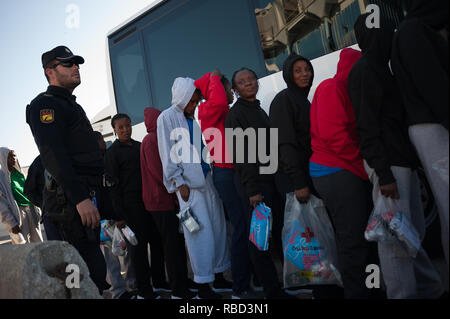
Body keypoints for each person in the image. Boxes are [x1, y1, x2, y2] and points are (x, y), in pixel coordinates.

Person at [349, 15, 444, 299]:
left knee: (410, 233)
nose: (390, 35)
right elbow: (367, 128)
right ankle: (402, 294)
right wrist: (384, 174)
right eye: (384, 31)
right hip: (388, 166)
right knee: (394, 241)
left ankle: (429, 288)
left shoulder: (381, 68)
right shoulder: (365, 70)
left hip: (402, 164)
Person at [26, 45, 108, 293]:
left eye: (77, 63)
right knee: (73, 282)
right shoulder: (45, 105)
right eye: (68, 63)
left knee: (94, 276)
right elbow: (54, 156)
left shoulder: (72, 106)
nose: (76, 67)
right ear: (50, 71)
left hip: (82, 208)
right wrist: (80, 198)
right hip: (67, 212)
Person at [309, 48, 376, 299]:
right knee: (352, 240)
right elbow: (336, 138)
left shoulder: (347, 89)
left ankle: (369, 288)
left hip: (343, 168)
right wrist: (365, 169)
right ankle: (357, 294)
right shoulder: (331, 88)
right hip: (335, 171)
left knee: (362, 235)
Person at [157, 77, 231, 299]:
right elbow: (166, 152)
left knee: (217, 229)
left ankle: (217, 276)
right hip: (188, 187)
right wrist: (178, 183)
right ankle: (203, 286)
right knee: (198, 234)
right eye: (192, 102)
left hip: (206, 181)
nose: (195, 106)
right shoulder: (166, 118)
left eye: (196, 102)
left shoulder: (191, 119)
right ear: (182, 97)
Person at [225, 68, 295, 299]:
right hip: (253, 186)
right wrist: (252, 190)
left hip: (269, 181)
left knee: (273, 236)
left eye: (251, 79)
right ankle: (272, 292)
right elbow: (241, 155)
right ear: (235, 89)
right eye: (242, 82)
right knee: (260, 242)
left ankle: (282, 285)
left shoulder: (258, 109)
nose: (249, 83)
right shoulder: (236, 115)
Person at [391, 0, 449, 267]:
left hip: (428, 125)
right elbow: (435, 86)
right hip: (433, 126)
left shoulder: (411, 30)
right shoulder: (415, 31)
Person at [195, 70, 253, 299]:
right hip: (226, 175)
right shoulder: (208, 108)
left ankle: (250, 280)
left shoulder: (221, 110)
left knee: (246, 227)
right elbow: (219, 100)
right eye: (228, 89)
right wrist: (211, 77)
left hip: (232, 173)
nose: (230, 93)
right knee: (240, 229)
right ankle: (239, 288)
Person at [104, 113, 168, 299]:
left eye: (128, 125)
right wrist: (119, 216)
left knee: (157, 243)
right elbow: (112, 187)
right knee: (138, 251)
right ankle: (144, 290)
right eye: (121, 127)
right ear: (114, 130)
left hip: (149, 203)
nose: (125, 130)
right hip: (130, 208)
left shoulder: (140, 146)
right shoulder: (112, 153)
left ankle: (159, 282)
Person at [141, 107, 197, 299]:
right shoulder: (151, 140)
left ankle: (183, 281)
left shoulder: (156, 138)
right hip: (161, 202)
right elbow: (160, 172)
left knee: (177, 243)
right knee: (172, 246)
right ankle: (178, 290)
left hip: (166, 200)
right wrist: (175, 191)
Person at [0, 148, 43, 243]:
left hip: (31, 210)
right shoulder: (1, 178)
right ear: (3, 158)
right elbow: (1, 203)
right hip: (18, 214)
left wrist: (38, 210)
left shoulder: (20, 173)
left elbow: (30, 191)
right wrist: (12, 223)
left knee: (38, 242)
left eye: (14, 155)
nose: (14, 158)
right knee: (23, 245)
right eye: (10, 156)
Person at [23, 155, 61, 241]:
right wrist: (44, 203)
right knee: (57, 249)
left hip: (75, 214)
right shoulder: (38, 162)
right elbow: (28, 190)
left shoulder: (71, 155)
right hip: (51, 216)